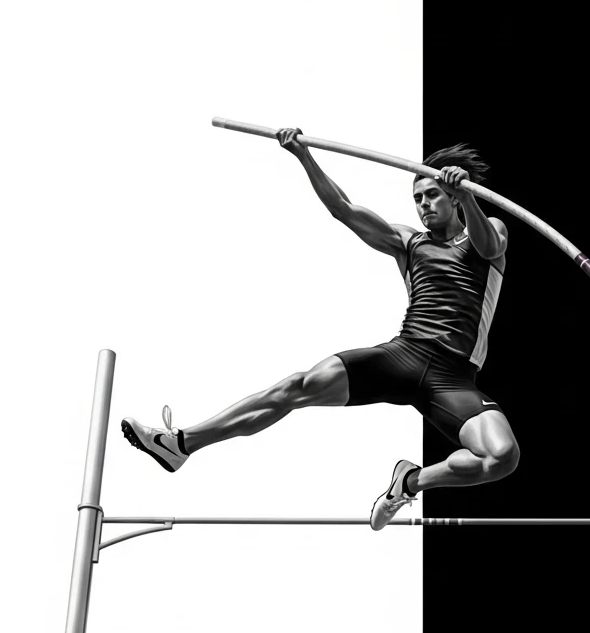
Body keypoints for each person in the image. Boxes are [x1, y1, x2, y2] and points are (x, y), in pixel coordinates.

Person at [121, 128, 519, 529]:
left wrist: (468, 196)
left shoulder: (489, 229)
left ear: (453, 196)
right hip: (406, 354)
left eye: (432, 195)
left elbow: (491, 248)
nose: (423, 205)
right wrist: (303, 155)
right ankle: (181, 443)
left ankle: (410, 482)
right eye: (417, 198)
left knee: (501, 457)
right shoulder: (408, 242)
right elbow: (343, 208)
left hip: (454, 377)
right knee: (297, 386)